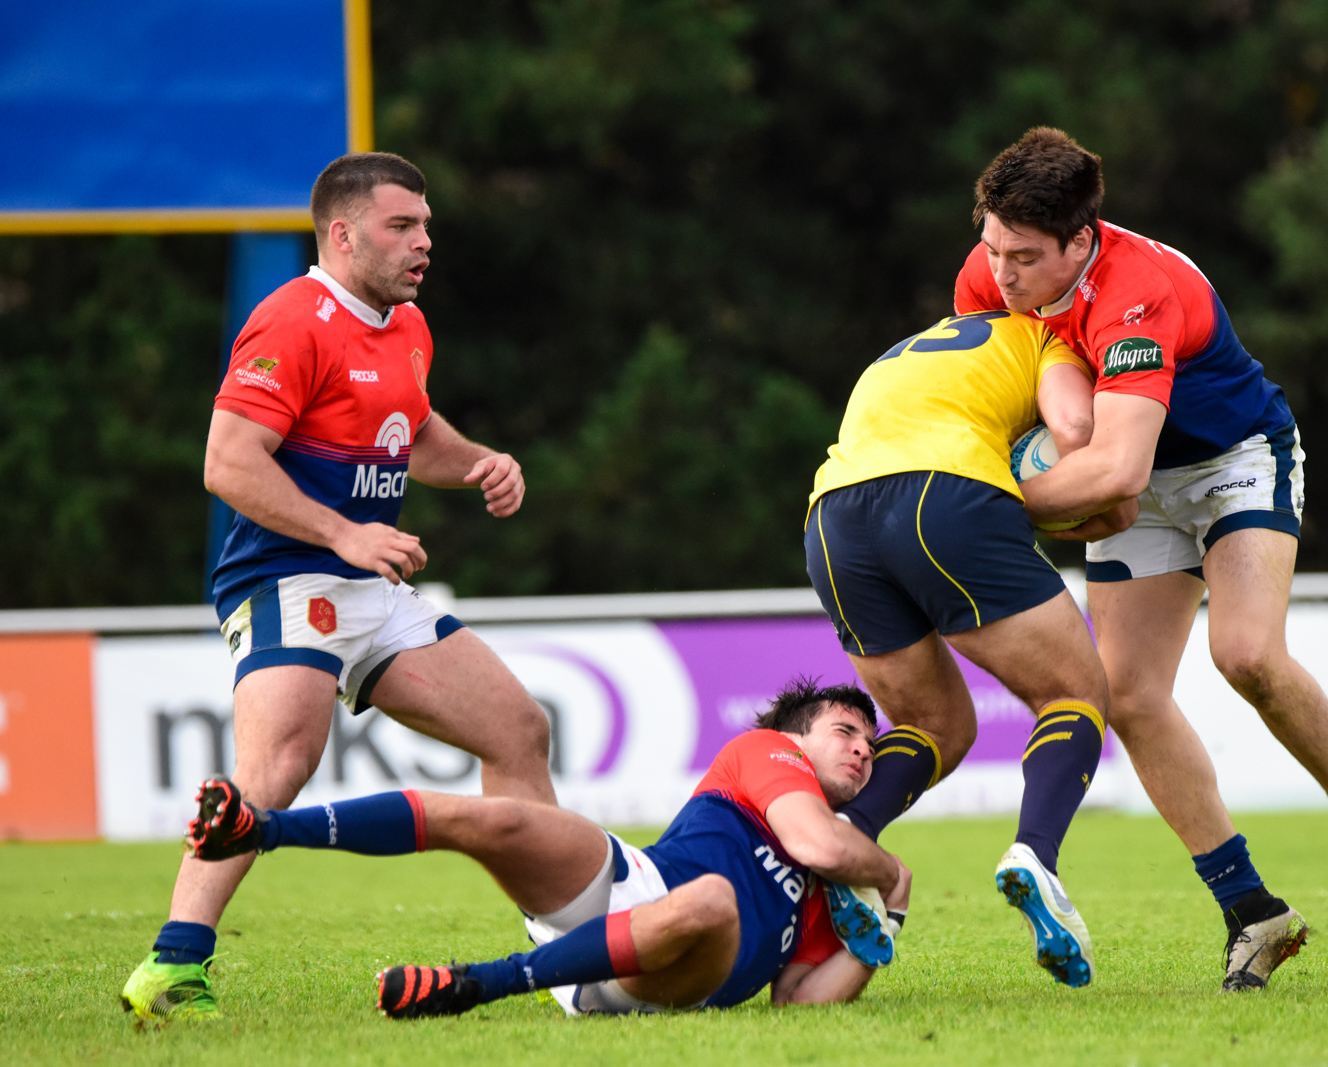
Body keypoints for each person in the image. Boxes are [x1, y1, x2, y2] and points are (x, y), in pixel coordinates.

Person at [947, 127, 1328, 988]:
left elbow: (1117, 472)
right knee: (1126, 694)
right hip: (1131, 471)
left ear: (1080, 241)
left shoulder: (1137, 291)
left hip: (1232, 460)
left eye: (1023, 256)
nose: (1000, 274)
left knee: (1246, 655)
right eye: (992, 246)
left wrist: (986, 503)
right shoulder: (988, 272)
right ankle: (1252, 910)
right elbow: (1009, 403)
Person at [121, 152, 555, 1021]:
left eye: (425, 225)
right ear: (344, 234)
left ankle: (569, 949)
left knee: (517, 728)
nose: (423, 242)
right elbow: (227, 462)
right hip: (284, 577)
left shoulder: (407, 325)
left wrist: (481, 463)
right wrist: (343, 533)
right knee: (278, 765)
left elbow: (412, 431)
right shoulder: (292, 320)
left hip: (367, 581)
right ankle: (171, 965)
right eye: (402, 226)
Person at [183, 680, 912, 1016]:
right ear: (795, 739)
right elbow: (816, 841)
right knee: (498, 819)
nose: (862, 750)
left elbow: (800, 1000)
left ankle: (477, 984)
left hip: (670, 969)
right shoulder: (768, 755)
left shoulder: (841, 889)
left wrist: (890, 923)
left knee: (713, 901)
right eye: (845, 732)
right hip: (631, 881)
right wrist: (891, 871)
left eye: (871, 746)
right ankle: (261, 828)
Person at [806, 301, 1117, 989]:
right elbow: (1074, 429)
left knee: (935, 725)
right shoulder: (1047, 336)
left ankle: (847, 835)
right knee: (1075, 692)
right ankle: (1035, 855)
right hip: (943, 495)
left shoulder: (911, 348)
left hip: (832, 517)